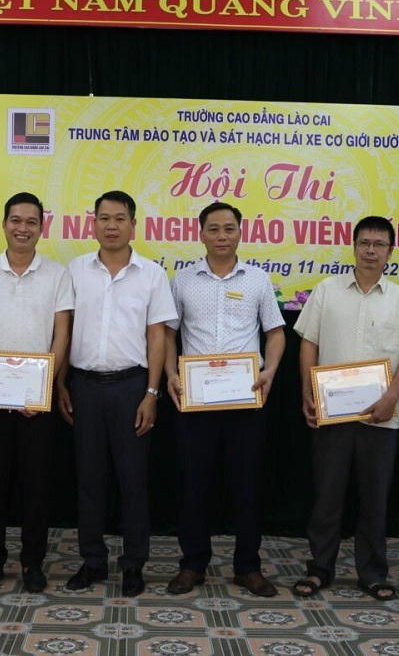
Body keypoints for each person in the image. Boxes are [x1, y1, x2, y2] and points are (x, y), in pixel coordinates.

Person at [293, 216, 399, 600]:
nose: (371, 250)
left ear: (390, 251)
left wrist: (391, 397)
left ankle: (372, 573)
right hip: (331, 415)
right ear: (353, 247)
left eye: (379, 244)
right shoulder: (327, 290)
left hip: (381, 417)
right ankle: (320, 568)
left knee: (374, 500)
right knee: (327, 496)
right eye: (365, 243)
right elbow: (309, 342)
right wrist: (307, 390)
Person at [57, 190, 177, 597]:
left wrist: (151, 393)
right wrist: (60, 383)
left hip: (131, 387)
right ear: (93, 224)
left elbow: (157, 336)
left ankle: (133, 564)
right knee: (89, 479)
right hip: (84, 386)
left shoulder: (152, 275)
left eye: (119, 218)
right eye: (104, 218)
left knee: (133, 480)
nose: (111, 226)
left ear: (133, 225)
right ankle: (92, 561)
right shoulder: (75, 271)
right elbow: (64, 331)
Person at [164, 201, 285, 598]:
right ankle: (192, 564)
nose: (221, 236)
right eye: (213, 229)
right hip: (196, 400)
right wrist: (170, 374)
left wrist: (270, 371)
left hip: (245, 399)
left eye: (229, 228)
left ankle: (248, 567)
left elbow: (275, 333)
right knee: (193, 484)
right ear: (200, 234)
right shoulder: (183, 280)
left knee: (247, 484)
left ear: (240, 232)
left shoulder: (258, 280)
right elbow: (168, 334)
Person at [0, 192, 73, 594]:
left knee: (37, 485)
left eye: (31, 222)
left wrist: (43, 388)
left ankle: (32, 562)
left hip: (36, 401)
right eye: (16, 220)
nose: (23, 228)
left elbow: (62, 335)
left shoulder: (58, 274)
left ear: (42, 227)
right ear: (4, 224)